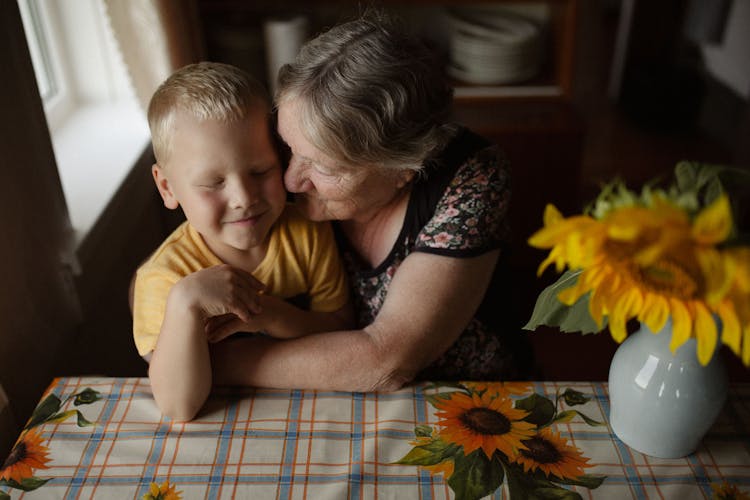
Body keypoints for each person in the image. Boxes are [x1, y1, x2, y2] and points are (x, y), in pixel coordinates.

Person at [208, 14, 533, 391]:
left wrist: (210, 364)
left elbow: (387, 361)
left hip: (467, 400)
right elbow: (194, 246)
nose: (290, 179)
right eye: (288, 147)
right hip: (317, 394)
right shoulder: (285, 154)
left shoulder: (472, 175)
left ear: (405, 168)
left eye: (325, 167)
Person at [132, 62, 353, 421]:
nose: (243, 197)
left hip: (315, 411)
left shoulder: (308, 233)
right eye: (212, 183)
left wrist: (268, 314)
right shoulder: (166, 276)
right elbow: (178, 407)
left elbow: (341, 327)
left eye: (260, 171)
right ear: (167, 187)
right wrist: (186, 302)